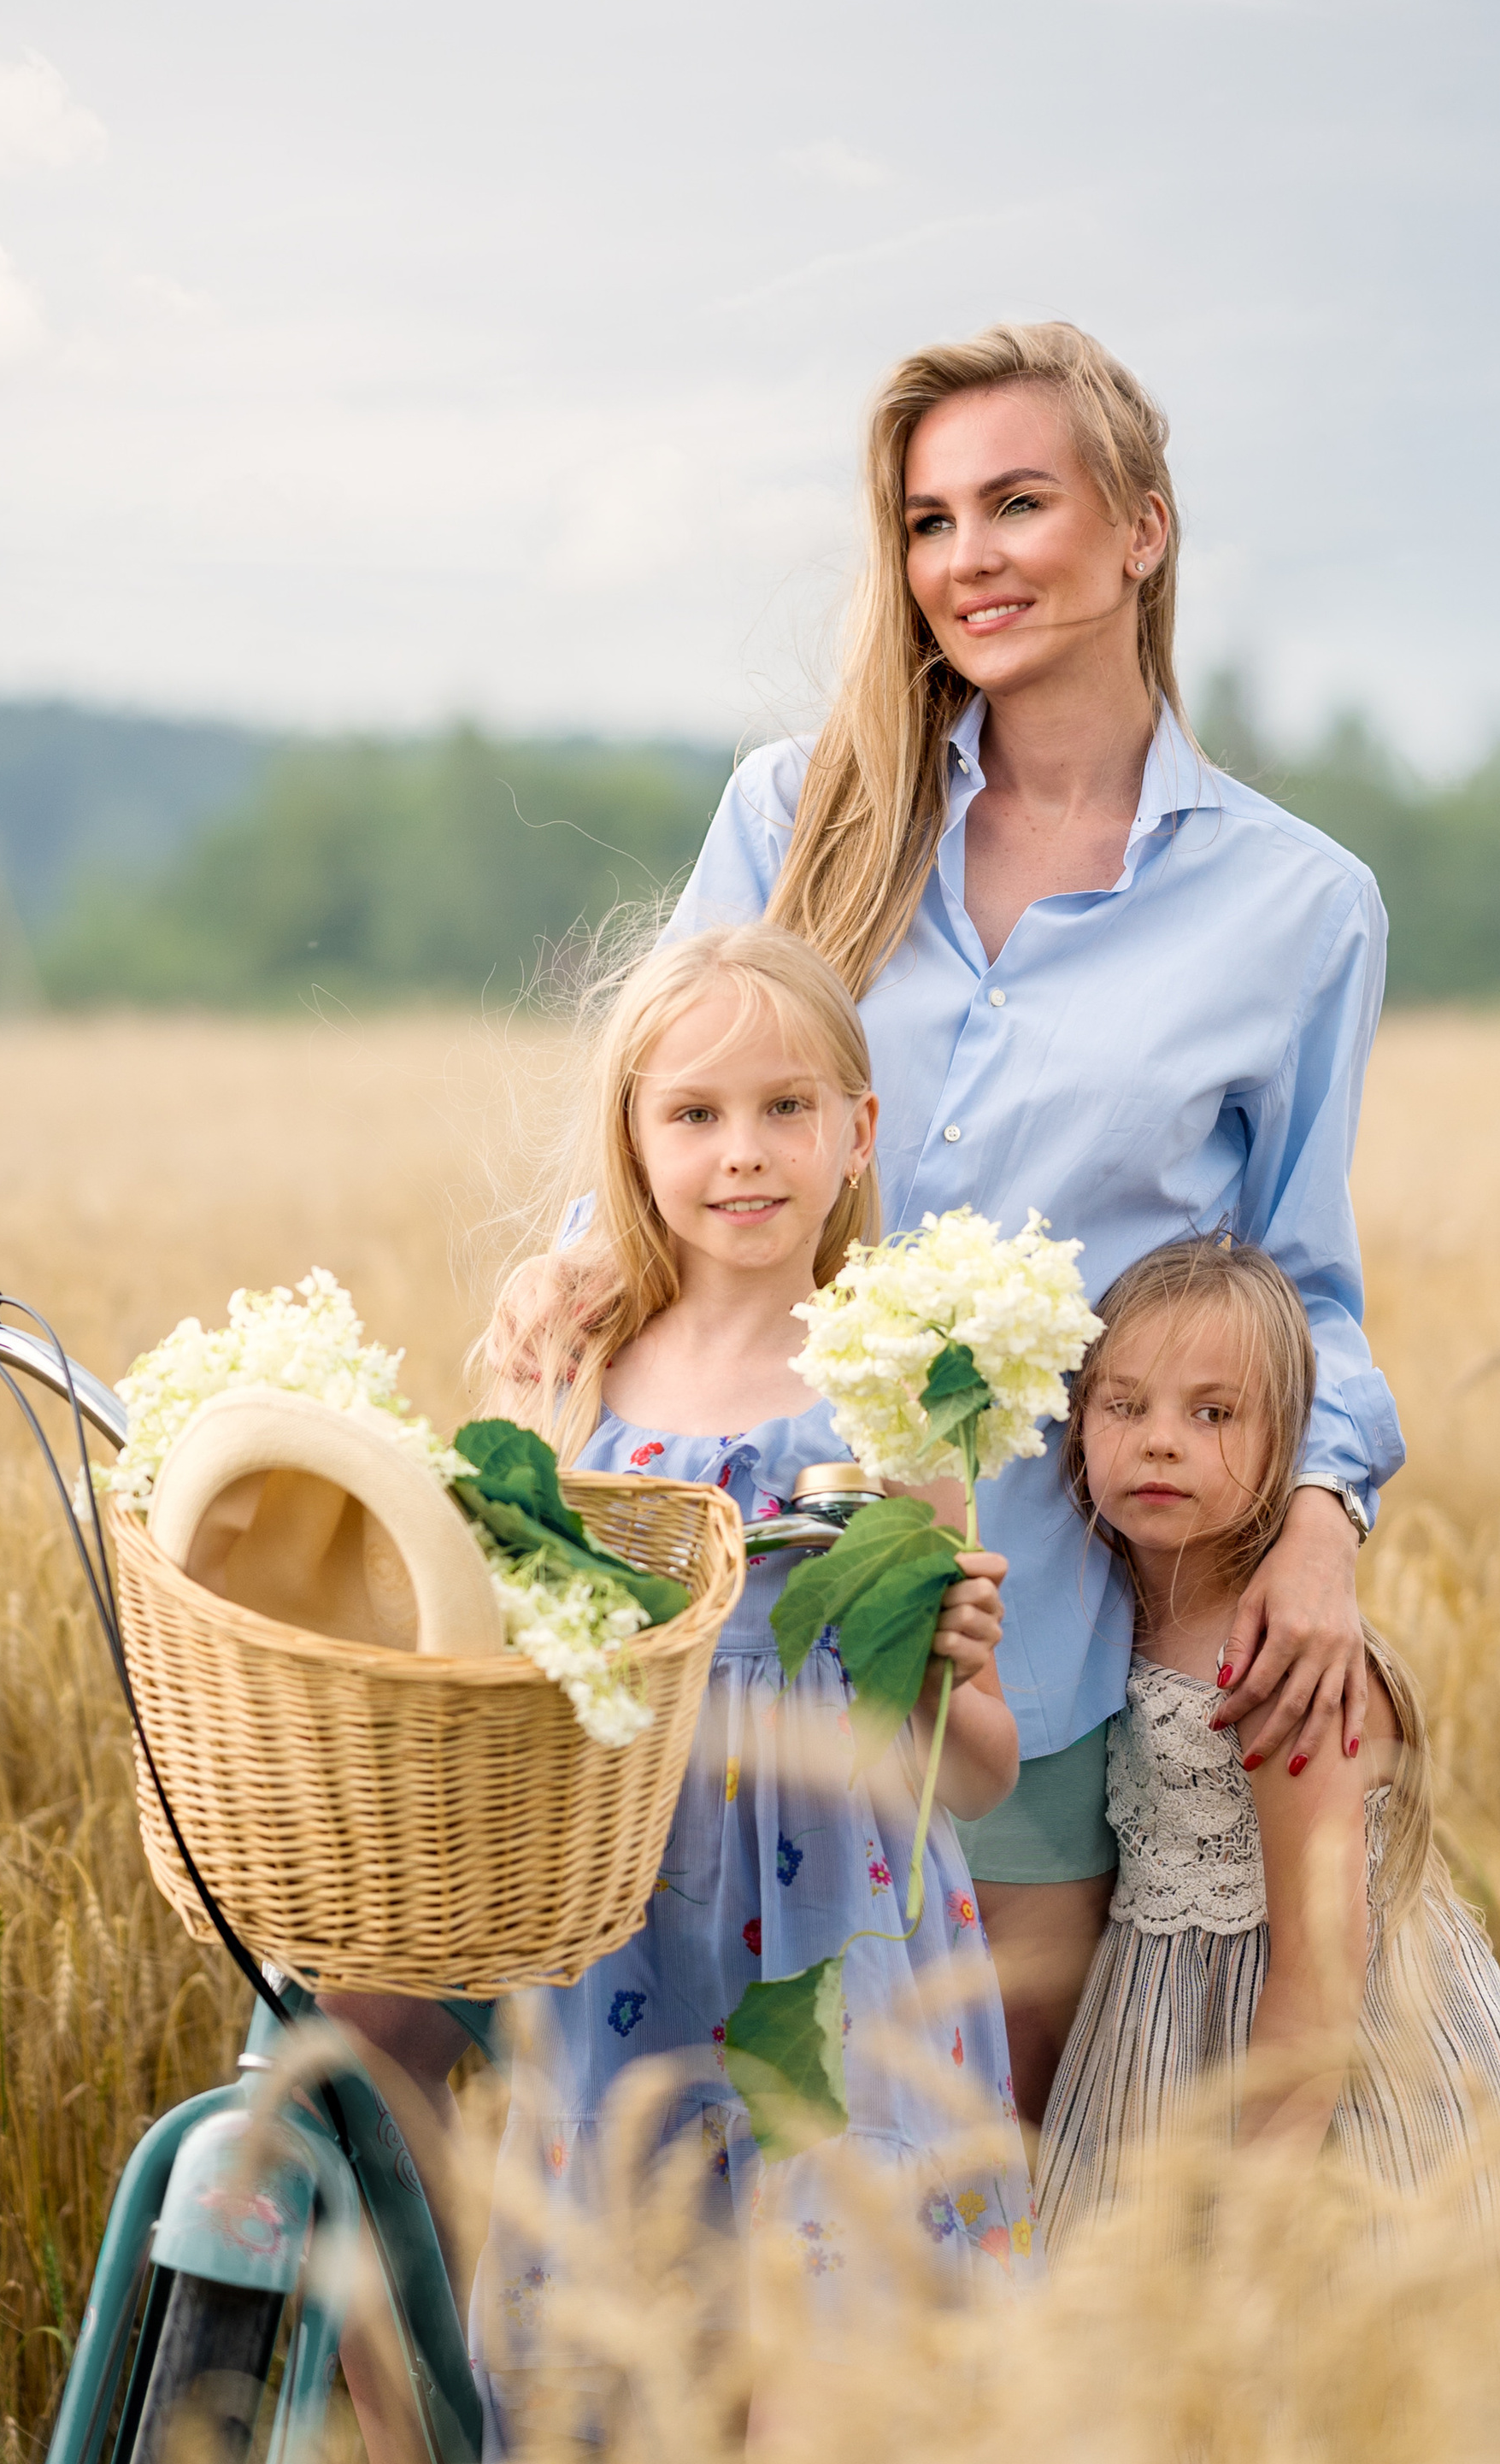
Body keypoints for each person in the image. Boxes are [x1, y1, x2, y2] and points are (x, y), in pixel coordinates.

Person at [497, 320, 1404, 2121]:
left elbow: (1298, 1283)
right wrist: (571, 1264)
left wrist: (1321, 1520)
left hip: (1026, 1648)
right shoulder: (797, 814)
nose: (966, 557)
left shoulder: (1300, 907)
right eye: (927, 521)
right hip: (721, 1624)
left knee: (975, 2189)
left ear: (1141, 528)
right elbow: (666, 1111)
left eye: (1016, 504)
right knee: (671, 2159)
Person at [464, 918, 1037, 2464]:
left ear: (860, 1130)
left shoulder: (894, 1395)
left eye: (789, 1108)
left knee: (826, 2403)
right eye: (696, 1113)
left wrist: (949, 1668)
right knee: (631, 2387)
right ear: (634, 1140)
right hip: (629, 1940)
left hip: (842, 1961)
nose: (744, 1152)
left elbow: (975, 1773)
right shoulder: (579, 1379)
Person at [1032, 1238, 1500, 2260]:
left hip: (1319, 2082)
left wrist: (1255, 2213)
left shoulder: (1281, 1665)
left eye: (1213, 1413)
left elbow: (1317, 1976)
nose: (1160, 1442)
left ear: (1290, 1441)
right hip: (1159, 2042)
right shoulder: (1097, 1614)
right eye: (1123, 1405)